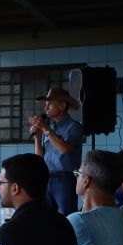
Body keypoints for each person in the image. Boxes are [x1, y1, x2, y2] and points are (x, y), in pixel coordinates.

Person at [29, 87, 84, 215]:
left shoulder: (74, 127)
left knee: (67, 216)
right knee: (45, 217)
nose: (45, 108)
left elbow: (64, 149)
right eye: (45, 105)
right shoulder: (49, 128)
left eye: (49, 104)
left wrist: (46, 129)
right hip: (47, 178)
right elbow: (39, 158)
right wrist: (37, 137)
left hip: (65, 179)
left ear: (62, 105)